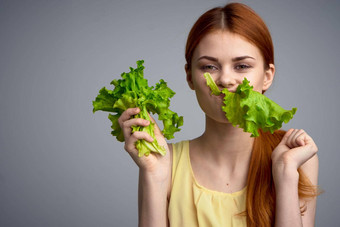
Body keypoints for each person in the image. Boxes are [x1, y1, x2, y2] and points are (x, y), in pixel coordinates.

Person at [118, 3, 321, 227]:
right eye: (209, 67)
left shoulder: (296, 157)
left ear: (267, 76)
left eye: (242, 66)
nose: (225, 80)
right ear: (189, 77)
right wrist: (154, 176)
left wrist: (285, 174)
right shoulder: (163, 161)